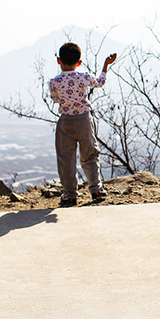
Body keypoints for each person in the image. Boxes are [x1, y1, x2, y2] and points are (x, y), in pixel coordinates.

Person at [49, 42, 116, 207]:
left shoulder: (54, 82)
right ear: (79, 62)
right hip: (84, 120)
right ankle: (96, 189)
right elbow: (100, 82)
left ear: (59, 60)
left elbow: (55, 99)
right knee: (90, 154)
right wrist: (106, 65)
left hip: (65, 122)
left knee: (66, 158)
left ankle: (70, 194)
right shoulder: (84, 77)